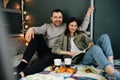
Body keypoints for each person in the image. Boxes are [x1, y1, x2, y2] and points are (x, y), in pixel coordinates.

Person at [16, 7, 94, 79]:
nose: (58, 19)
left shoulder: (66, 26)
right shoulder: (47, 26)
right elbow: (38, 29)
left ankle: (23, 74)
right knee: (37, 37)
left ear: (62, 18)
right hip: (46, 50)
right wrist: (31, 29)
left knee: (50, 56)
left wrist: (88, 14)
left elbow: (81, 28)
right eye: (55, 17)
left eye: (60, 17)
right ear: (51, 18)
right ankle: (23, 64)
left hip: (57, 53)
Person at [52, 17, 120, 80]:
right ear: (68, 26)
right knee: (95, 48)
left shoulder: (81, 34)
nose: (74, 28)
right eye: (71, 25)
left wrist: (90, 44)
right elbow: (54, 49)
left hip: (86, 55)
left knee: (104, 37)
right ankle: (111, 71)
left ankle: (111, 67)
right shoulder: (63, 37)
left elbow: (89, 41)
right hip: (79, 60)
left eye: (75, 26)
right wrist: (69, 53)